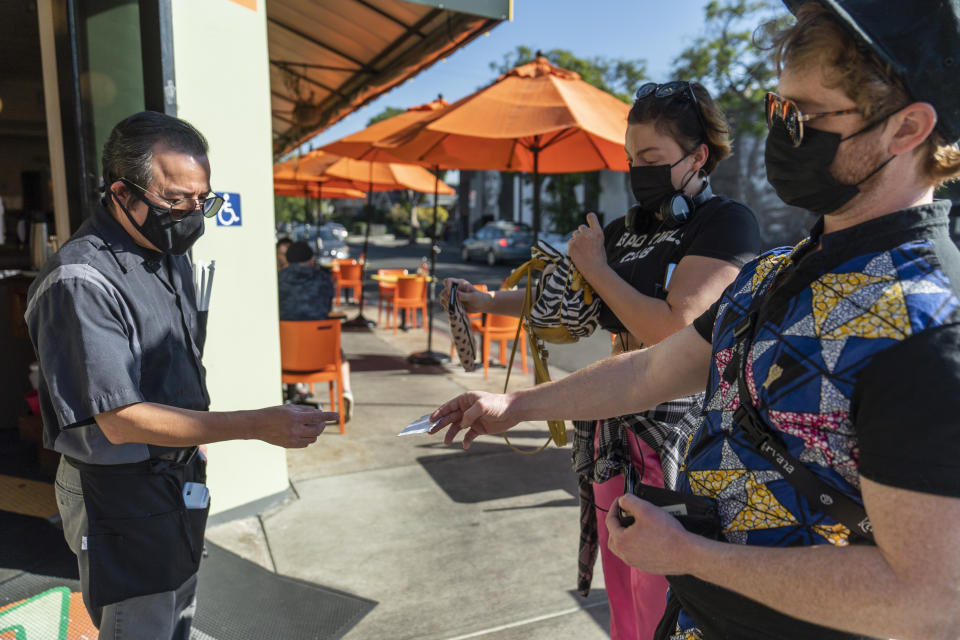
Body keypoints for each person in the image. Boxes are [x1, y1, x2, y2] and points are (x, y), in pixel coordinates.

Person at [429, 1, 960, 637]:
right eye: (777, 108)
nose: (783, 132)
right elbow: (654, 367)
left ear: (907, 130)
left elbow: (932, 600)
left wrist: (690, 556)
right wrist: (514, 404)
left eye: (807, 114)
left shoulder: (930, 326)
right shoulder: (781, 269)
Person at [442, 81, 761, 638]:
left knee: (661, 588)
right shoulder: (624, 230)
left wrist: (599, 270)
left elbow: (673, 330)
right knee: (620, 573)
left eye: (653, 158)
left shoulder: (727, 223)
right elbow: (570, 300)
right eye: (631, 158)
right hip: (610, 420)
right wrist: (487, 300)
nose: (637, 170)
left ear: (699, 155)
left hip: (676, 432)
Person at [25, 111, 336, 640]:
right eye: (177, 200)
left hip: (175, 473)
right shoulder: (80, 280)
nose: (193, 214)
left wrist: (194, 438)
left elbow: (175, 359)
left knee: (177, 612)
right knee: (140, 622)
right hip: (117, 489)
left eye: (203, 199)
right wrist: (256, 423)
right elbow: (120, 419)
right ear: (123, 194)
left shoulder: (166, 253)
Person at [277, 240, 354, 421]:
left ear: (287, 259)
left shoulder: (278, 279)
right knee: (339, 354)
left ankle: (292, 394)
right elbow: (327, 307)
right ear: (311, 259)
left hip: (286, 355)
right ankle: (346, 391)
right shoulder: (323, 279)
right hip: (320, 354)